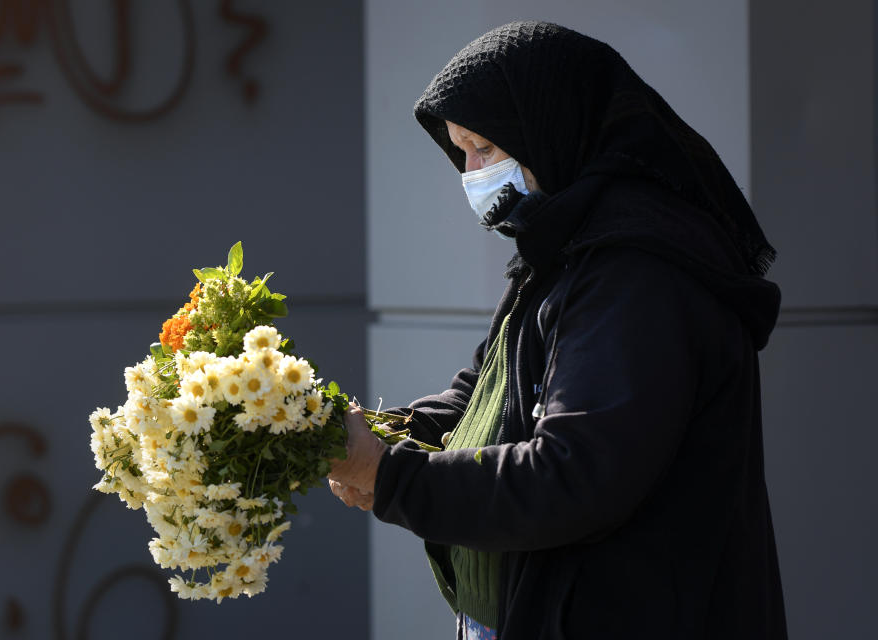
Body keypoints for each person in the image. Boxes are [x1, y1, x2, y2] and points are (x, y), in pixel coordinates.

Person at [328, 21, 788, 639]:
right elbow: (485, 397)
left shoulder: (636, 274)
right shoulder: (564, 247)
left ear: (546, 128)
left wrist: (387, 476)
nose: (470, 172)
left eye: (484, 147)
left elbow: (572, 474)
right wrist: (353, 434)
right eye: (460, 151)